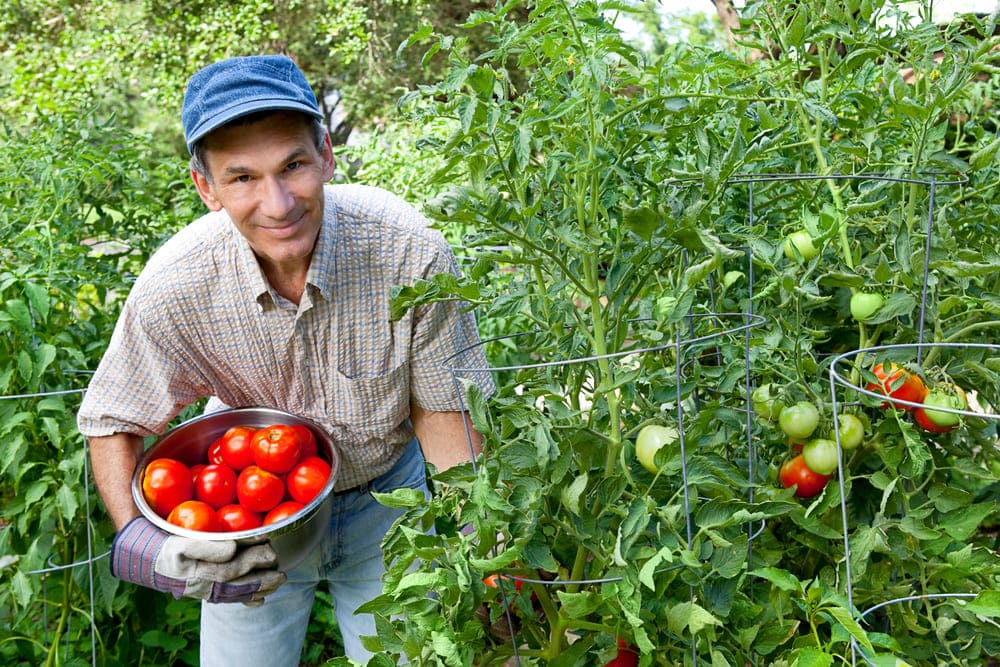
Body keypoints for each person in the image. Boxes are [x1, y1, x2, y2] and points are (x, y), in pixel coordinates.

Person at [77, 54, 493, 665]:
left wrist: (480, 550)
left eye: (293, 165)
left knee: (413, 656)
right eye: (242, 177)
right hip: (246, 526)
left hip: (389, 505)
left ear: (326, 154)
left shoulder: (408, 252)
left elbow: (442, 410)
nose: (277, 204)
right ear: (207, 188)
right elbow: (113, 417)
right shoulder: (177, 286)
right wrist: (143, 541)